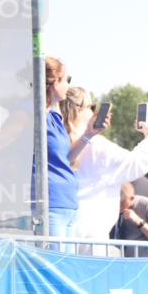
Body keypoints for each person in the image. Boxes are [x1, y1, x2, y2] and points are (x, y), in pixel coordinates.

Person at [59, 87, 148, 244]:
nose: (94, 112)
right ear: (79, 109)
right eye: (91, 107)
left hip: (63, 230)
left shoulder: (57, 140)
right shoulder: (99, 147)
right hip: (91, 234)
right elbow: (137, 164)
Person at [43, 58, 110, 240]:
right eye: (67, 79)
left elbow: (66, 157)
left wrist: (89, 133)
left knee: (67, 265)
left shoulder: (54, 116)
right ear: (53, 82)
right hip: (50, 203)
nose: (68, 85)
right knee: (52, 264)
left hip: (68, 204)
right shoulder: (33, 115)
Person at [109, 182, 148, 257]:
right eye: (116, 202)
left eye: (122, 202)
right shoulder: (110, 206)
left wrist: (139, 221)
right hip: (116, 261)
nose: (118, 206)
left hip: (143, 262)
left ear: (132, 198)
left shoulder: (147, 205)